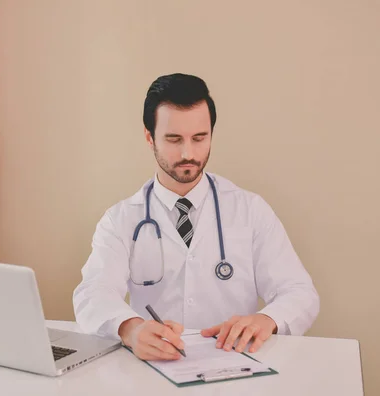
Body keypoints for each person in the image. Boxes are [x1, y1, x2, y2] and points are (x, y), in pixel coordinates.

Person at [73, 73, 319, 361]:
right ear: (149, 137)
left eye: (199, 138)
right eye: (174, 139)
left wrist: (267, 320)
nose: (188, 152)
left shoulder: (250, 210)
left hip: (236, 365)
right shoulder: (121, 219)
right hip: (153, 369)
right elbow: (92, 293)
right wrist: (131, 329)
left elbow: (300, 293)